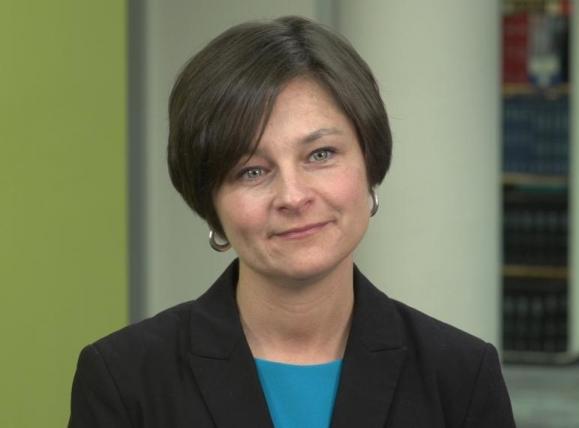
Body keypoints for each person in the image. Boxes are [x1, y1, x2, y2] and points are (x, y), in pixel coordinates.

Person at [69, 16, 516, 428]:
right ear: (211, 204)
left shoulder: (460, 375)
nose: (294, 196)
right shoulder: (124, 379)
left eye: (321, 155)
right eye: (251, 171)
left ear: (370, 163)